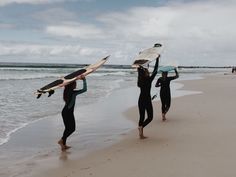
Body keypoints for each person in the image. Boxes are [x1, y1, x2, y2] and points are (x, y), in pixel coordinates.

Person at [58, 76, 87, 151]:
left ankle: (63, 145)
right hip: (68, 112)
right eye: (75, 84)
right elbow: (84, 89)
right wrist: (84, 80)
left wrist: (76, 78)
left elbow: (66, 84)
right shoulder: (73, 93)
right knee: (72, 129)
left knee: (68, 128)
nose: (76, 85)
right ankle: (62, 140)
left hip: (65, 112)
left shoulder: (67, 92)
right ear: (72, 85)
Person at [137, 56, 159, 139]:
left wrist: (141, 59)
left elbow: (140, 70)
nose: (149, 72)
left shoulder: (140, 81)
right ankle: (141, 127)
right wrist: (157, 59)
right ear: (146, 73)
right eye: (147, 71)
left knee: (141, 116)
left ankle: (141, 134)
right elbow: (155, 70)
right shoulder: (149, 80)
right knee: (150, 117)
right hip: (147, 100)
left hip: (140, 99)